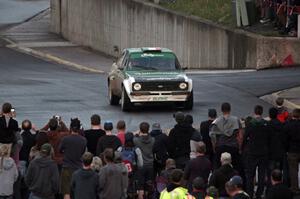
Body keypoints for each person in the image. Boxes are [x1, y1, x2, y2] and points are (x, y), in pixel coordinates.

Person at [243, 105, 270, 199]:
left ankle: (250, 194)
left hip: (252, 151)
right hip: (263, 152)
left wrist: (243, 148)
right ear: (262, 112)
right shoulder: (265, 124)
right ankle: (259, 194)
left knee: (250, 175)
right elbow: (269, 138)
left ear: (255, 112)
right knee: (262, 175)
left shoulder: (251, 124)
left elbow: (245, 137)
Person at [59, 118, 87, 199]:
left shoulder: (65, 139)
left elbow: (60, 150)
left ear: (71, 128)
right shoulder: (83, 140)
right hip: (78, 167)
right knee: (77, 191)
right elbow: (82, 152)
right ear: (79, 128)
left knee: (67, 192)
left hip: (67, 167)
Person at [209, 103, 241, 171]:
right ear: (230, 110)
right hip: (233, 146)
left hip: (220, 146)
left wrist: (214, 146)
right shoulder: (236, 120)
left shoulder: (216, 121)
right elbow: (240, 135)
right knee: (236, 167)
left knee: (217, 166)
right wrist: (239, 146)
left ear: (221, 110)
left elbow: (212, 135)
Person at [134, 122, 155, 199]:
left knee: (140, 186)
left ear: (140, 129)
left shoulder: (136, 140)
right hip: (150, 165)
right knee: (148, 185)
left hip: (141, 165)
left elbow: (133, 138)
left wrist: (137, 134)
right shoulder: (152, 140)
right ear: (148, 129)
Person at [267, 107, 285, 185]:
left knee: (270, 171)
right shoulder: (281, 125)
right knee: (278, 171)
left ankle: (270, 186)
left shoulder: (268, 125)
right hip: (279, 151)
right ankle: (279, 185)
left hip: (270, 152)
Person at [284, 108, 300, 194]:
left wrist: (286, 149)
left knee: (293, 170)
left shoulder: (288, 125)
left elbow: (285, 139)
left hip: (292, 150)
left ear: (293, 115)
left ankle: (295, 188)